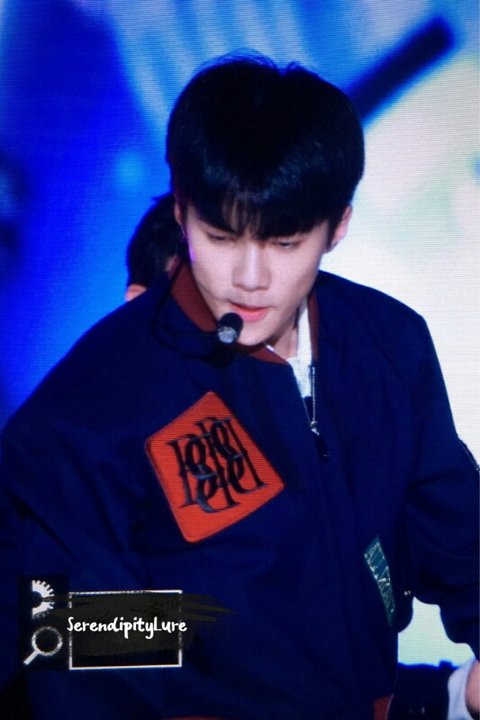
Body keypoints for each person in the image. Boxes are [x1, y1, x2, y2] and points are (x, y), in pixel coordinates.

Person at [0, 54, 478, 720]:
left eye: (284, 242)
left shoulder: (386, 346)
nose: (250, 278)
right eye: (222, 237)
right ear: (182, 211)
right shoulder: (92, 409)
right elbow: (78, 656)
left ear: (337, 226)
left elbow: (460, 539)